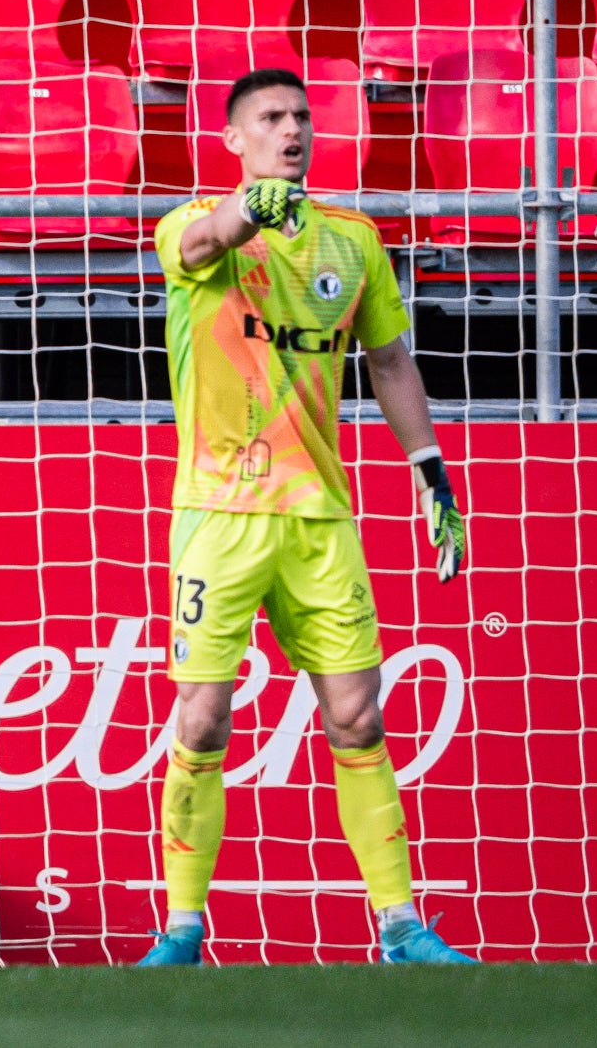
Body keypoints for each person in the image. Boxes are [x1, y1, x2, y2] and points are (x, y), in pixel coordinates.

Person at [140, 67, 474, 967]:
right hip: (218, 513)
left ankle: (401, 925)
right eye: (271, 119)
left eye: (300, 116)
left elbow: (391, 360)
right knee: (203, 721)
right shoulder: (193, 225)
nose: (292, 129)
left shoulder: (354, 242)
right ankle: (181, 928)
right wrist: (253, 210)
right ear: (233, 138)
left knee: (359, 718)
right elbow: (208, 239)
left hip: (320, 518)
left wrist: (430, 470)